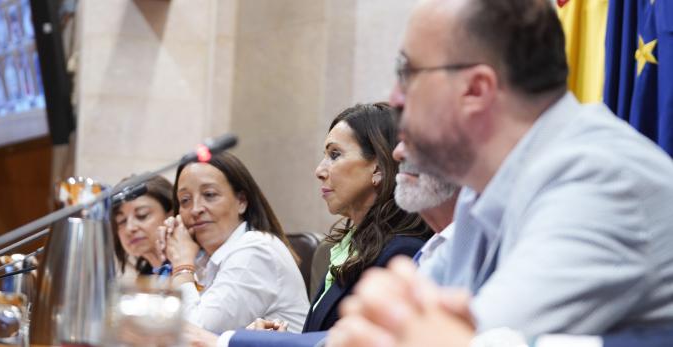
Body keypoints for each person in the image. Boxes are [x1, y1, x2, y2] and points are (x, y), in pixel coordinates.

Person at [328, 0, 673, 345]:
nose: (396, 99)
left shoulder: (600, 180)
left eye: (408, 75)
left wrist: (398, 322)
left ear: (476, 90)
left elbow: (470, 339)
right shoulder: (485, 190)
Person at [183, 102, 435, 346]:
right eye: (183, 200)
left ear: (378, 167)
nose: (319, 170)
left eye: (335, 155)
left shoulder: (401, 253)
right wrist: (276, 341)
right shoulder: (348, 245)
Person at [160, 152, 309, 334]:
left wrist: (181, 266)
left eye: (209, 194)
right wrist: (165, 255)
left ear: (241, 202)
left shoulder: (256, 250)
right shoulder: (203, 259)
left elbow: (193, 335)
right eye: (185, 200)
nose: (196, 209)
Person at [111, 175, 173, 282]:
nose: (129, 228)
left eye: (142, 215)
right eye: (121, 221)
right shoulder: (144, 278)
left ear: (170, 214)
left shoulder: (193, 269)